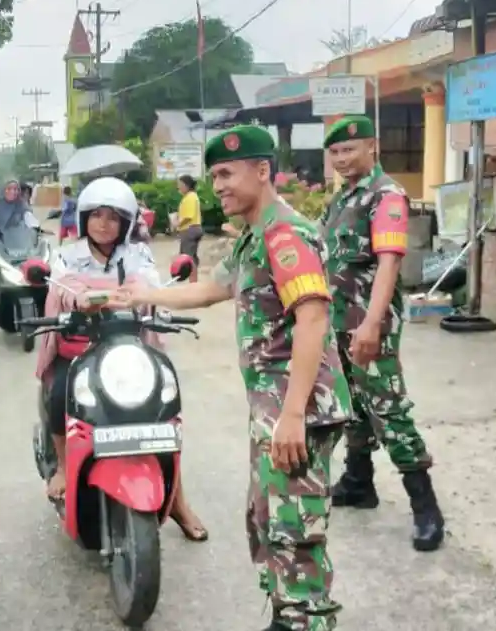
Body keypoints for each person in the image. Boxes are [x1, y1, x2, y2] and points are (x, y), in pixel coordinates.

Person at [111, 125, 351, 631]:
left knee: (294, 532)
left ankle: (305, 620)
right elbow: (209, 290)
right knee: (268, 522)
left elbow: (312, 319)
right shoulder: (253, 238)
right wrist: (141, 297)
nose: (217, 185)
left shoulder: (287, 235)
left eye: (226, 173)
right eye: (213, 175)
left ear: (262, 172)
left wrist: (291, 416)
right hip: (276, 409)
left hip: (297, 409)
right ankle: (288, 617)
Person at [37, 176, 209, 541]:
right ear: (84, 219)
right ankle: (65, 464)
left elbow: (148, 284)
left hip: (129, 349)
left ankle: (177, 498)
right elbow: (61, 285)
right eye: (96, 215)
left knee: (163, 405)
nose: (103, 224)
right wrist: (80, 297)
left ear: (126, 222)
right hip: (79, 349)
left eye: (113, 217)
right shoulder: (68, 253)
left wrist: (142, 293)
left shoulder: (137, 253)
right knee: (60, 392)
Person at [319, 114, 445, 552]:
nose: (341, 159)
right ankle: (358, 482)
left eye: (349, 150)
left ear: (372, 147)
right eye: (334, 152)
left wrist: (372, 323)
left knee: (389, 410)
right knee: (351, 406)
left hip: (370, 324)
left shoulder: (386, 197)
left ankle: (426, 509)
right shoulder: (340, 202)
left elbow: (388, 262)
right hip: (337, 324)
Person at [0, 180, 40, 281]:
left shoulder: (22, 205)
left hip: (19, 242)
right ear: (4, 190)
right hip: (0, 241)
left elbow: (30, 219)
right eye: (9, 189)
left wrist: (37, 228)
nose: (13, 191)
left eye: (15, 189)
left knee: (37, 260)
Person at [174, 175, 204, 282]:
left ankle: (193, 283)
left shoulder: (190, 197)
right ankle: (193, 282)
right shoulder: (189, 197)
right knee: (191, 257)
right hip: (192, 229)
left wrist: (177, 224)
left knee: (188, 258)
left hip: (190, 229)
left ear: (187, 185)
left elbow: (188, 216)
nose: (179, 188)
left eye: (180, 185)